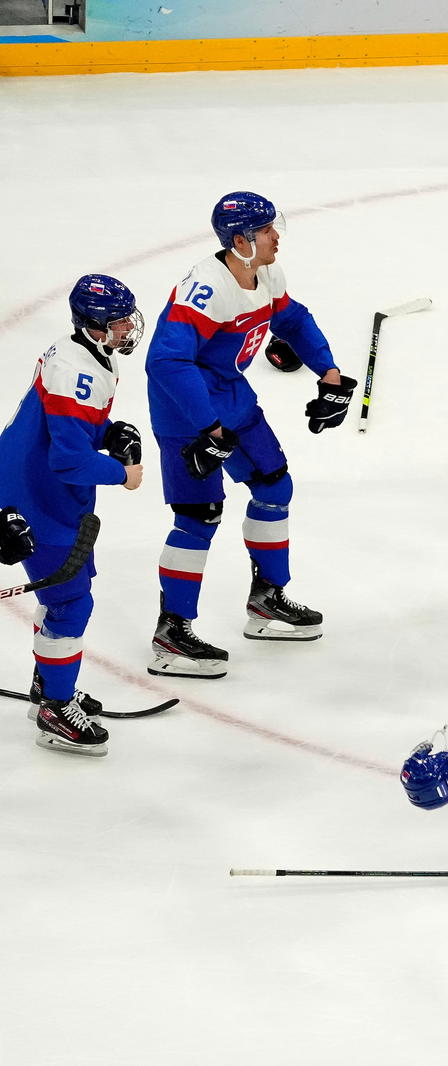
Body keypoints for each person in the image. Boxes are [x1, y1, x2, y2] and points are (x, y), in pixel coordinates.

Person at [144, 191, 354, 679]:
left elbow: (293, 319)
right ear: (240, 241)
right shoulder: (206, 288)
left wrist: (329, 371)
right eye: (265, 230)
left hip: (231, 396)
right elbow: (166, 362)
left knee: (274, 486)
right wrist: (207, 427)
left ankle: (266, 601)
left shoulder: (266, 274)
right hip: (185, 410)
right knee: (200, 514)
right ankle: (171, 632)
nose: (276, 236)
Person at [0, 275, 145, 755]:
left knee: (68, 595)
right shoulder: (76, 371)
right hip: (37, 499)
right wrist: (122, 472)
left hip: (44, 493)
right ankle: (55, 711)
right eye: (119, 319)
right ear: (96, 325)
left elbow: (71, 430)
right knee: (71, 602)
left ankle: (49, 688)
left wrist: (108, 433)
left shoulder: (84, 353)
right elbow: (68, 460)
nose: (129, 326)